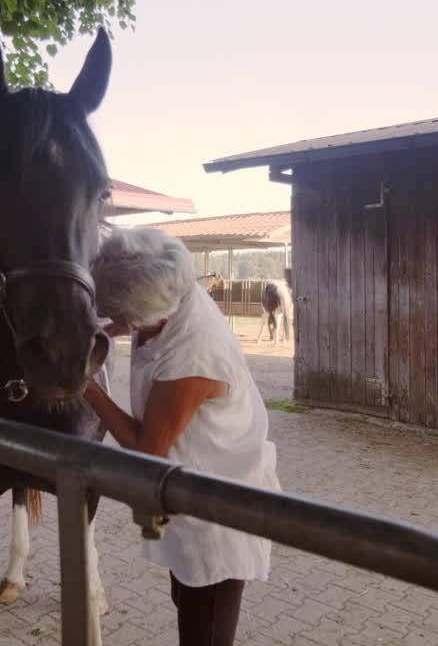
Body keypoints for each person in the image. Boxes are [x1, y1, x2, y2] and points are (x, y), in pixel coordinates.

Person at [82, 227, 281, 646]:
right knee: (186, 598)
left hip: (216, 514)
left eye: (126, 319)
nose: (120, 326)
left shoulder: (193, 355)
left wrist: (86, 384)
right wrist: (112, 324)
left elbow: (145, 451)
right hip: (187, 495)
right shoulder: (175, 287)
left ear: (154, 313)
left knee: (203, 627)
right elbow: (131, 312)